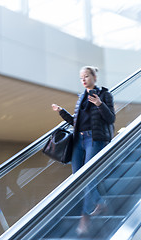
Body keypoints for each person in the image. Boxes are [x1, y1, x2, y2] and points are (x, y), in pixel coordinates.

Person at [51, 65, 115, 235]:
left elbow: (110, 118)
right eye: (81, 78)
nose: (84, 80)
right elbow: (75, 122)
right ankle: (100, 203)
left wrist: (100, 104)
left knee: (87, 177)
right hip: (78, 139)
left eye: (87, 76)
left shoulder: (104, 95)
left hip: (95, 139)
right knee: (77, 178)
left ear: (94, 77)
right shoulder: (81, 98)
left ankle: (85, 217)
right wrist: (61, 112)